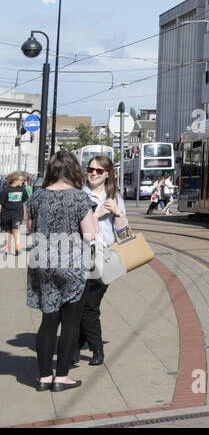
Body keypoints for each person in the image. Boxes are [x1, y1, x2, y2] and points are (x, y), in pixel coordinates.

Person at [26, 151, 97, 391]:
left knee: (48, 321)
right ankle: (62, 377)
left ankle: (44, 377)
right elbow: (89, 235)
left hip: (43, 263)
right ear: (74, 170)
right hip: (72, 265)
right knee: (70, 323)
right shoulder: (79, 198)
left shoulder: (36, 197)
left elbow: (29, 230)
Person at [79, 154, 128, 367]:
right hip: (80, 253)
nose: (93, 174)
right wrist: (97, 215)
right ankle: (80, 347)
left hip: (106, 255)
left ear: (107, 173)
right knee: (79, 304)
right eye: (90, 169)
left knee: (90, 305)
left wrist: (117, 213)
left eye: (99, 171)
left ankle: (95, 349)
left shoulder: (114, 197)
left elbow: (123, 233)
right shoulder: (79, 194)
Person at [3, 171, 27, 255]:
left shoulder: (22, 190)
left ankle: (17, 247)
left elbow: (24, 203)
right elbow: (1, 203)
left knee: (15, 229)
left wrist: (24, 213)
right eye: (21, 179)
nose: (22, 181)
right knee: (8, 231)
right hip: (6, 214)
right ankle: (7, 247)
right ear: (15, 180)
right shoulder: (6, 191)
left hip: (17, 213)